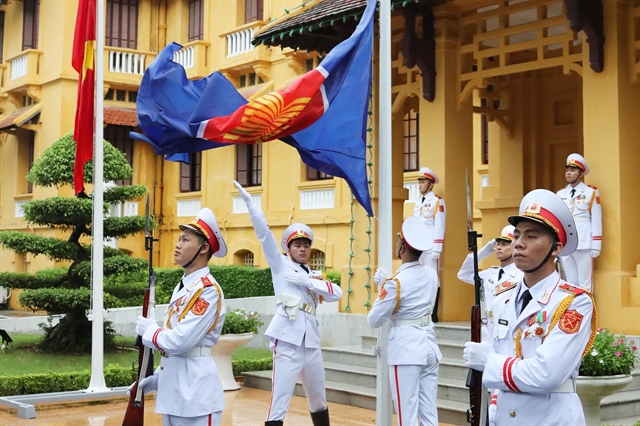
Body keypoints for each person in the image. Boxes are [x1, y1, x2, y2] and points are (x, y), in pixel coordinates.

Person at [463, 189, 597, 426]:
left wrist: (490, 363)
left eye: (531, 237)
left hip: (549, 418)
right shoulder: (501, 295)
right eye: (516, 236)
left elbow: (545, 374)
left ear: (555, 249)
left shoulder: (573, 302)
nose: (519, 245)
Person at [233, 181, 342, 426]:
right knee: (279, 402)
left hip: (311, 343)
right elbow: (264, 237)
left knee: (319, 399)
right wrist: (253, 208)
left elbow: (337, 292)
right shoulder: (281, 266)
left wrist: (309, 282)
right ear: (288, 248)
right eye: (297, 245)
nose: (302, 249)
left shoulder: (313, 275)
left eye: (306, 245)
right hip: (288, 342)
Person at [132, 208, 228, 426]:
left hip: (197, 396)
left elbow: (180, 341)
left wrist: (150, 330)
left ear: (203, 248)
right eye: (179, 239)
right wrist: (157, 377)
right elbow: (172, 341)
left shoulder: (208, 291)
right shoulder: (184, 287)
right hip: (173, 394)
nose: (178, 244)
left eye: (185, 240)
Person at [367, 216, 442, 426]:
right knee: (428, 414)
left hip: (407, 349)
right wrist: (385, 284)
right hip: (428, 345)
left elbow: (374, 319)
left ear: (401, 249)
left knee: (406, 416)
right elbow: (413, 299)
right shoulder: (430, 274)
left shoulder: (395, 283)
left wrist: (382, 287)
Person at [457, 225, 523, 323]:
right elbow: (463, 275)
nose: (499, 248)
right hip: (487, 330)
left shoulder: (521, 275)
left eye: (505, 244)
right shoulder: (490, 273)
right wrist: (479, 256)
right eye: (498, 244)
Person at [556, 153, 602, 291]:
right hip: (566, 243)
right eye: (567, 170)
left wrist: (596, 244)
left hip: (584, 242)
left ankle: (587, 312)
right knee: (570, 283)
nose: (569, 173)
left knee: (585, 284)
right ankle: (574, 312)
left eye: (573, 170)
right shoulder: (560, 194)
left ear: (581, 174)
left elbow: (596, 220)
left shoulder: (590, 192)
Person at [413, 166, 446, 322]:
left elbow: (440, 225)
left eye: (423, 182)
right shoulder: (418, 202)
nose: (420, 184)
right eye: (419, 182)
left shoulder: (437, 201)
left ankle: (433, 312)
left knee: (433, 278)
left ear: (431, 185)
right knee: (420, 277)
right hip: (418, 247)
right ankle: (422, 309)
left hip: (431, 247)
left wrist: (437, 248)